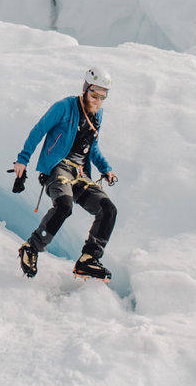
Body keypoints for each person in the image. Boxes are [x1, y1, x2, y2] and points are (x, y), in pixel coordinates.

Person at [7, 68, 119, 280]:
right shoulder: (64, 107)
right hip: (57, 169)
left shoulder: (98, 114)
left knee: (108, 209)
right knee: (64, 206)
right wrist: (23, 159)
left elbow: (91, 146)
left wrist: (105, 169)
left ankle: (89, 259)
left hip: (80, 173)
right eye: (95, 94)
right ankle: (31, 248)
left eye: (103, 96)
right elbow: (39, 130)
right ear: (85, 89)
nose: (98, 100)